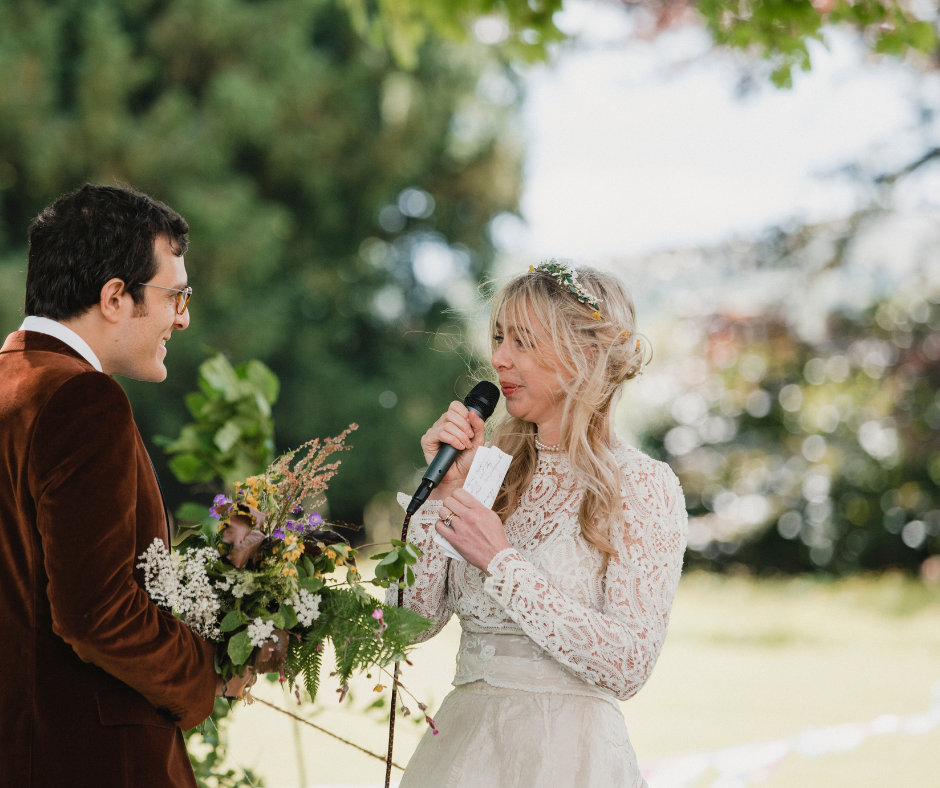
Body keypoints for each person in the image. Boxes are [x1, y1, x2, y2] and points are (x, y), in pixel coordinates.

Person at [390, 261, 688, 788]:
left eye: (522, 341)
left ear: (584, 357)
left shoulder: (643, 485)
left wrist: (502, 563)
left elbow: (628, 665)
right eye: (499, 337)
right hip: (461, 754)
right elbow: (412, 622)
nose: (499, 358)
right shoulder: (488, 471)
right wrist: (442, 494)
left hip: (569, 760)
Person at [0, 184, 252, 788]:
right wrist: (205, 674)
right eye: (176, 295)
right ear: (115, 295)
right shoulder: (83, 399)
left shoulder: (13, 384)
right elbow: (95, 612)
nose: (184, 316)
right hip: (84, 757)